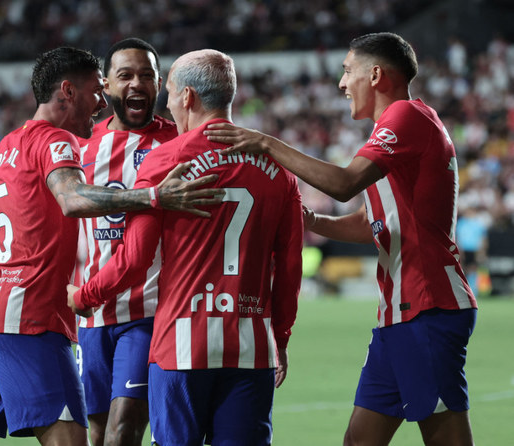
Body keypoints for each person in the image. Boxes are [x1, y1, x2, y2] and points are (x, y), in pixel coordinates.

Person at [0, 46, 223, 446]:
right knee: (71, 438)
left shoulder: (9, 143)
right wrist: (154, 196)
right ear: (68, 91)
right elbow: (72, 199)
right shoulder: (59, 140)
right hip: (31, 314)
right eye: (97, 90)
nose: (100, 103)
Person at [204, 32, 478, 446]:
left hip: (428, 308)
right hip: (398, 316)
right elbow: (372, 224)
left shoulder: (407, 116)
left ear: (376, 75)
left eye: (348, 71)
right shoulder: (391, 130)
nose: (341, 82)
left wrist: (265, 143)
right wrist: (310, 220)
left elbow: (345, 183)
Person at [69, 49, 303, 445]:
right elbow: (290, 268)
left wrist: (84, 295)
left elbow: (135, 259)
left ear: (188, 97)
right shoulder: (278, 168)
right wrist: (279, 337)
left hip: (181, 342)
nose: (167, 105)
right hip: (250, 345)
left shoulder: (166, 160)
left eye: (170, 94)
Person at [73, 38, 177, 446]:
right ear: (106, 85)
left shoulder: (177, 142)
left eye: (146, 75)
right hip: (91, 318)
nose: (137, 83)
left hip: (150, 311)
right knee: (97, 431)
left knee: (125, 429)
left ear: (159, 84)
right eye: (126, 75)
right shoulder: (81, 146)